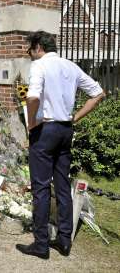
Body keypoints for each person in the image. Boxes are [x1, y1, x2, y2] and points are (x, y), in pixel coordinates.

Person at [16, 31, 105, 259]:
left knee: (41, 187)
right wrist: (75, 117)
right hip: (66, 129)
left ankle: (41, 243)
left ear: (37, 47)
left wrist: (32, 124)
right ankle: (64, 240)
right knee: (63, 185)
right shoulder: (70, 66)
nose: (30, 54)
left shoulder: (40, 65)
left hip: (45, 130)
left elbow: (33, 97)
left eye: (30, 49)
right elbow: (98, 93)